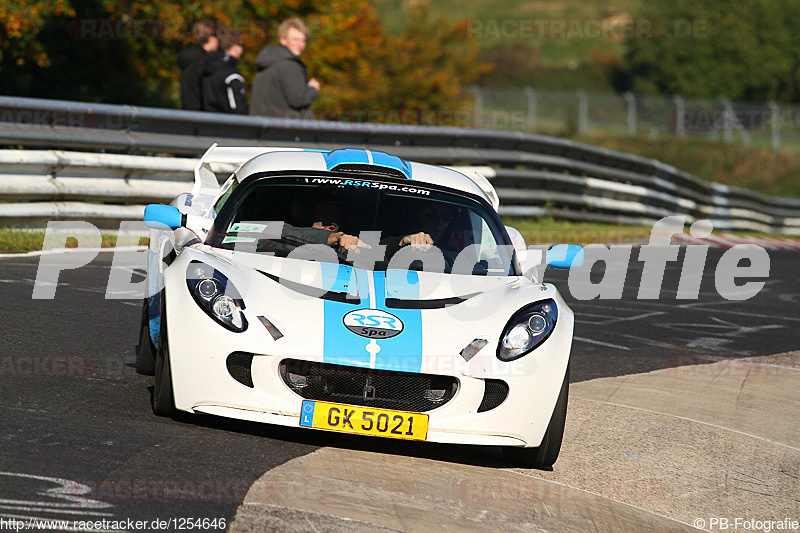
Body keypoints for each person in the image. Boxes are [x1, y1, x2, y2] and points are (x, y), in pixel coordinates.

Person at [250, 18, 320, 118]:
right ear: (283, 40)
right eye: (295, 39)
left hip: (262, 127)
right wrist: (313, 89)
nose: (300, 44)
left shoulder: (266, 63)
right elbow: (298, 99)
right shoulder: (289, 65)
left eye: (303, 40)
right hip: (285, 128)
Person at [202, 28, 249, 114]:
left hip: (206, 120)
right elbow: (239, 107)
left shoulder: (207, 67)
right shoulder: (232, 74)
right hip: (228, 122)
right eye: (242, 45)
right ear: (235, 47)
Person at [178, 20, 220, 111]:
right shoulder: (204, 62)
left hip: (189, 111)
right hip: (201, 114)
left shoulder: (190, 56)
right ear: (212, 38)